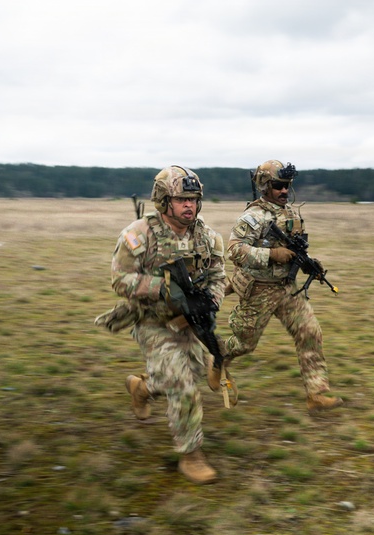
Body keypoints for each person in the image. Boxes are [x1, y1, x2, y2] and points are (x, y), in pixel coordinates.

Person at [109, 165, 227, 484]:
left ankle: (141, 387)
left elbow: (218, 275)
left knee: (193, 372)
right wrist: (160, 288)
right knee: (182, 384)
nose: (190, 205)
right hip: (150, 319)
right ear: (163, 201)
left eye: (194, 199)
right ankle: (191, 455)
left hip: (188, 320)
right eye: (182, 199)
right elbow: (119, 279)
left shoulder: (207, 236)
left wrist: (212, 300)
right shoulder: (139, 235)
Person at [222, 159, 343, 415]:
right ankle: (218, 358)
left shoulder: (291, 214)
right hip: (259, 290)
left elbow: (297, 250)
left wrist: (311, 266)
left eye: (287, 185)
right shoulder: (252, 217)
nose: (284, 191)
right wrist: (271, 255)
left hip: (287, 288)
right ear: (265, 186)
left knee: (310, 332)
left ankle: (317, 393)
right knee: (244, 344)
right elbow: (234, 250)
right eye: (278, 185)